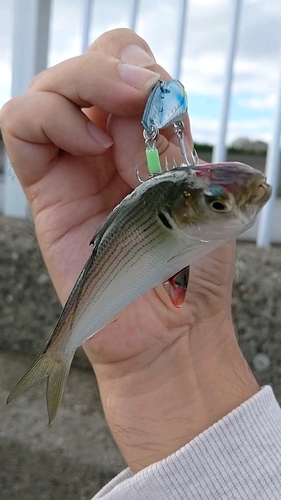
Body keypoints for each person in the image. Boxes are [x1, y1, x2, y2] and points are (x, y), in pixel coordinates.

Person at [1, 28, 281, 499]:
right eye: (217, 203)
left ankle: (58, 357)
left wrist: (180, 358)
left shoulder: (179, 231)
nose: (241, 206)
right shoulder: (162, 216)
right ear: (177, 215)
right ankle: (57, 356)